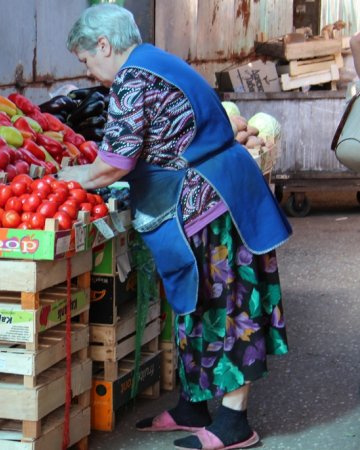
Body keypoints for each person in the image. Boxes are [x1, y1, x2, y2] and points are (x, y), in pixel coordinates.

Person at [60, 5, 291, 450]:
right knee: (198, 305)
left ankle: (234, 424)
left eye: (87, 61)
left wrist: (64, 179)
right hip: (212, 194)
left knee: (229, 307)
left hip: (216, 202)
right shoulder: (154, 61)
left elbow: (112, 165)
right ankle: (192, 406)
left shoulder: (133, 77)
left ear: (104, 46)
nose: (91, 74)